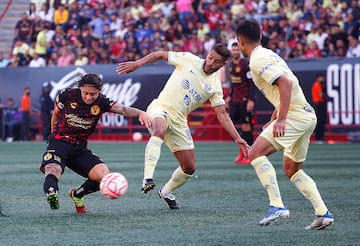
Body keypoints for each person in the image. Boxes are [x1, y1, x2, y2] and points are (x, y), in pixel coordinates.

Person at [116, 43, 249, 209]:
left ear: (223, 64)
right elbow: (159, 54)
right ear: (207, 54)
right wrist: (137, 63)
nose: (210, 63)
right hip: (161, 108)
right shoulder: (188, 59)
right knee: (159, 130)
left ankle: (166, 192)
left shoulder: (214, 87)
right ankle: (147, 178)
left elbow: (222, 114)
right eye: (210, 57)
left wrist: (237, 138)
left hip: (179, 121)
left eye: (216, 62)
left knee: (189, 167)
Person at [235, 19, 334, 230]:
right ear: (260, 37)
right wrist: (274, 118)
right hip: (307, 116)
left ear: (240, 41)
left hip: (295, 117)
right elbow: (284, 88)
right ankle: (322, 213)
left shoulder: (257, 60)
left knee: (254, 153)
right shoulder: (270, 54)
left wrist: (281, 119)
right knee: (292, 169)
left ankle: (277, 205)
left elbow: (286, 83)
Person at [39, 73, 152, 213]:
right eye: (85, 93)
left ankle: (77, 194)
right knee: (53, 169)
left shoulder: (102, 102)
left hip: (79, 148)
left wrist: (141, 113)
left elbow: (122, 109)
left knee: (105, 177)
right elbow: (56, 114)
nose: (88, 97)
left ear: (99, 91)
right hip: (59, 143)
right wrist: (52, 137)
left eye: (93, 94)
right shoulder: (66, 95)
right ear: (80, 88)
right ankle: (52, 194)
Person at [225, 42, 255, 165]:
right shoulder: (231, 64)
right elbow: (233, 83)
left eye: (237, 50)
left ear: (240, 51)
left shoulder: (245, 64)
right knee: (234, 127)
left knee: (246, 126)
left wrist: (251, 100)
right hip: (235, 100)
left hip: (244, 99)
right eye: (233, 50)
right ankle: (242, 152)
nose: (235, 52)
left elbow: (252, 83)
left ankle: (251, 154)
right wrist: (229, 96)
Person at [311, 74, 327, 143]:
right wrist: (325, 97)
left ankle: (320, 137)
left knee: (322, 121)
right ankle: (318, 138)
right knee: (320, 121)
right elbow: (320, 94)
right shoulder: (317, 84)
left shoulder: (319, 85)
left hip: (321, 104)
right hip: (319, 104)